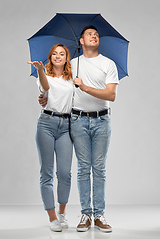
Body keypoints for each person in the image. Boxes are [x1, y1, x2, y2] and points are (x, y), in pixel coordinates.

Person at [39, 25, 119, 233]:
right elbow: (57, 88)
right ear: (81, 41)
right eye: (89, 34)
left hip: (102, 120)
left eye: (96, 34)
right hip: (77, 121)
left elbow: (111, 95)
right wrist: (44, 98)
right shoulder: (72, 64)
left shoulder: (108, 64)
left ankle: (99, 214)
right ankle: (85, 215)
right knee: (83, 168)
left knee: (98, 168)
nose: (94, 36)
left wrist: (84, 87)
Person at [28, 44, 73, 232]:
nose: (57, 56)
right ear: (50, 57)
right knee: (46, 173)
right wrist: (39, 70)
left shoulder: (72, 78)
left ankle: (62, 213)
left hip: (66, 126)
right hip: (46, 123)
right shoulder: (44, 75)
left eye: (61, 54)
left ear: (66, 58)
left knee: (64, 173)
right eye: (54, 53)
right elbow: (45, 88)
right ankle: (52, 216)